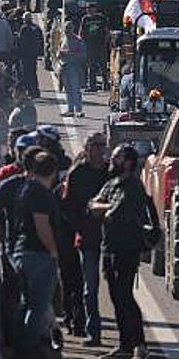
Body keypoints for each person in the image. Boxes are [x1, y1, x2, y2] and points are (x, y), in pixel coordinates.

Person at [0, 147, 60, 359]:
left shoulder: (18, 186)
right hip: (30, 252)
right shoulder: (33, 190)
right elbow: (41, 224)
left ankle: (19, 347)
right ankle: (27, 350)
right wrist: (54, 251)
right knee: (35, 305)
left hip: (15, 251)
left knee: (24, 302)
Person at [88, 143, 159, 359]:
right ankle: (124, 345)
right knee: (116, 298)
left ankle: (140, 345)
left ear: (128, 162)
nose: (111, 160)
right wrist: (103, 208)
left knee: (125, 296)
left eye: (117, 157)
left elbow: (117, 213)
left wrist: (104, 209)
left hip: (126, 249)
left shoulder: (133, 186)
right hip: (108, 247)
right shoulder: (111, 184)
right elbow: (92, 205)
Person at [62, 132, 110, 346]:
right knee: (90, 287)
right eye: (96, 145)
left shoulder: (111, 172)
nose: (101, 149)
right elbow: (67, 206)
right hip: (88, 238)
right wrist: (81, 224)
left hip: (112, 239)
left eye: (103, 145)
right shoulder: (77, 173)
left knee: (119, 290)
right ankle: (94, 330)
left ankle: (129, 338)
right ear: (87, 147)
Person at [57, 21, 88, 117]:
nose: (67, 31)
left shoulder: (78, 40)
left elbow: (83, 55)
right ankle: (70, 109)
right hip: (64, 67)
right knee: (68, 90)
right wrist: (59, 54)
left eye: (68, 28)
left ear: (72, 29)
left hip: (74, 67)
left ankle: (78, 110)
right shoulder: (63, 39)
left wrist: (70, 53)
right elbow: (58, 52)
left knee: (75, 89)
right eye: (65, 28)